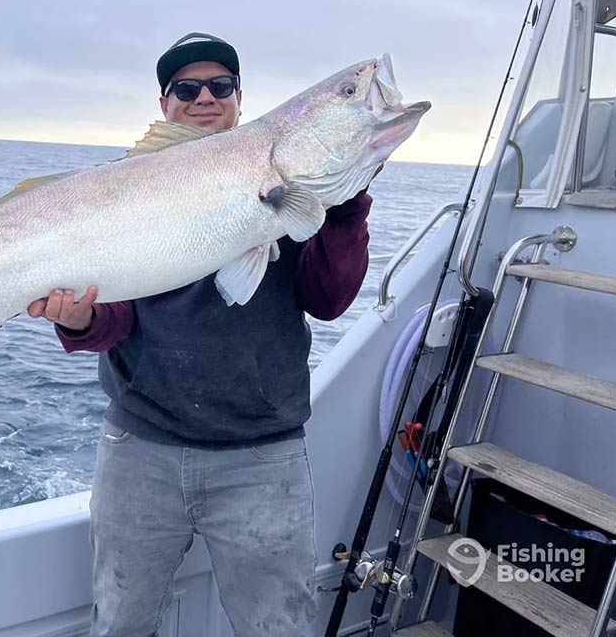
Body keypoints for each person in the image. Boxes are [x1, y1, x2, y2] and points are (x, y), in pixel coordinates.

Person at [27, 32, 373, 636]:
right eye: (186, 88)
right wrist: (76, 318)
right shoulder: (132, 189)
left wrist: (344, 205)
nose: (204, 97)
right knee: (121, 625)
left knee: (278, 629)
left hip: (263, 459)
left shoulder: (286, 186)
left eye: (221, 85)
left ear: (241, 97)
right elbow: (116, 317)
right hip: (142, 452)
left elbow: (329, 300)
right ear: (165, 105)